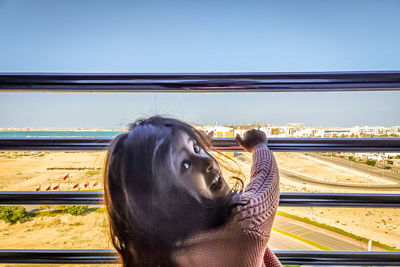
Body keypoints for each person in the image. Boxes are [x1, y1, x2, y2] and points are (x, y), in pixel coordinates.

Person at [104, 115, 281, 267]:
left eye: (197, 149)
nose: (208, 162)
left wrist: (192, 147)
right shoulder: (243, 221)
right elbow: (265, 181)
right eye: (185, 165)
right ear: (163, 196)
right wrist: (259, 146)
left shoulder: (156, 246)